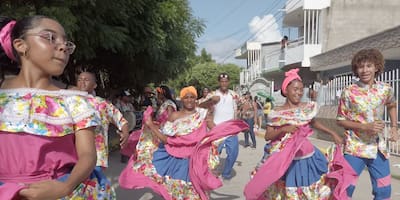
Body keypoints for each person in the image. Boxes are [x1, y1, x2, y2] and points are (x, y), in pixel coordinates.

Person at [0, 15, 114, 199]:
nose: (63, 47)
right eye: (50, 37)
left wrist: (64, 188)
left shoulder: (75, 101)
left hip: (62, 191)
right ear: (21, 45)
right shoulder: (3, 98)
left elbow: (88, 155)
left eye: (66, 44)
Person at [244, 68, 356, 200]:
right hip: (286, 160)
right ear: (286, 90)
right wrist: (283, 129)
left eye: (301, 89)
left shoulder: (306, 108)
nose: (299, 92)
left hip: (306, 157)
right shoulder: (277, 112)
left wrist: (333, 134)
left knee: (312, 189)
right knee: (288, 192)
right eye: (295, 89)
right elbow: (268, 136)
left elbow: (313, 123)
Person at [119, 86, 248, 199]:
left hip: (195, 161)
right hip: (175, 160)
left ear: (196, 98)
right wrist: (151, 125)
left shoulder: (203, 115)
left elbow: (215, 129)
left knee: (194, 193)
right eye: (186, 97)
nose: (189, 100)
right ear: (182, 99)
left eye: (192, 97)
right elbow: (166, 138)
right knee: (176, 191)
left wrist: (230, 130)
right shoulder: (174, 116)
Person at [336, 49, 398, 199]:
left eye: (369, 66)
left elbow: (391, 105)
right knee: (345, 189)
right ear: (356, 70)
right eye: (361, 67)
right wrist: (364, 126)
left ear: (376, 67)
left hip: (378, 148)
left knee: (384, 190)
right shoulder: (348, 92)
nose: (365, 70)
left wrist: (394, 128)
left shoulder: (385, 89)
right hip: (354, 148)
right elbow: (340, 120)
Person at [76, 71, 130, 169]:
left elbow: (121, 120)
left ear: (95, 85)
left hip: (97, 157)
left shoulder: (103, 104)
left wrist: (125, 133)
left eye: (86, 80)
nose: (82, 82)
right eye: (79, 80)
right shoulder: (69, 102)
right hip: (74, 157)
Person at [205, 72, 241, 180]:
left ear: (228, 82)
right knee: (214, 153)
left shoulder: (234, 95)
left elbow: (241, 106)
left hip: (230, 129)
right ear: (219, 82)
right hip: (217, 129)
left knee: (234, 153)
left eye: (226, 81)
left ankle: (226, 173)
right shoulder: (213, 95)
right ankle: (212, 173)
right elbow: (206, 110)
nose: (224, 83)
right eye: (222, 82)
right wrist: (210, 124)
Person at [115, 90, 136, 163]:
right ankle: (124, 157)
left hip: (130, 126)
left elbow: (133, 113)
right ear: (122, 97)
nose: (128, 98)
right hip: (122, 126)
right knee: (123, 141)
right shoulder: (118, 105)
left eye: (128, 97)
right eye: (126, 97)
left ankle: (129, 155)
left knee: (130, 140)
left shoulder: (130, 105)